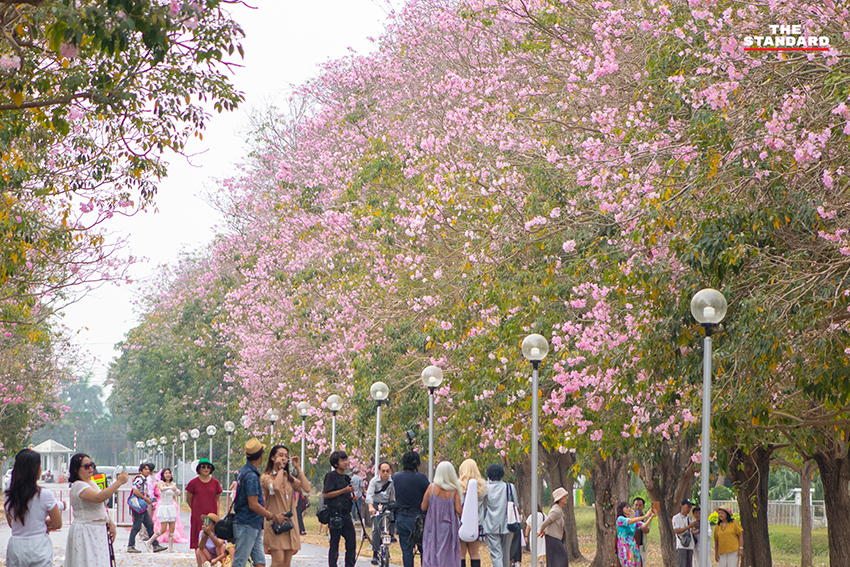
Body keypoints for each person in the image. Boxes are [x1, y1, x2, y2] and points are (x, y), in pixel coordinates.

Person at [65, 454, 128, 567]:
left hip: (98, 529)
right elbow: (99, 498)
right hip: (86, 530)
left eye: (91, 465)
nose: (90, 468)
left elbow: (101, 505)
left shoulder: (92, 482)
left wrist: (110, 522)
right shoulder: (78, 485)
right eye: (86, 466)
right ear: (76, 469)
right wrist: (118, 483)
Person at [4, 449, 62, 567]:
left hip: (16, 546)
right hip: (38, 546)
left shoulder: (9, 495)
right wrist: (42, 524)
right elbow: (57, 523)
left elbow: (12, 523)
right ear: (35, 469)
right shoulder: (44, 494)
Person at [233, 438, 284, 567]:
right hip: (247, 524)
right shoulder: (251, 476)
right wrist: (273, 516)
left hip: (253, 524)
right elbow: (253, 504)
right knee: (239, 562)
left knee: (260, 562)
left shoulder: (245, 471)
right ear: (261, 456)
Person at [261, 445, 312, 567]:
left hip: (289, 525)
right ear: (272, 457)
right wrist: (280, 468)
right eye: (280, 455)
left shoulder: (288, 478)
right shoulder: (266, 476)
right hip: (275, 523)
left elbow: (306, 489)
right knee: (277, 561)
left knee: (286, 562)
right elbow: (276, 487)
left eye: (286, 456)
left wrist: (298, 468)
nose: (284, 458)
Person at [421, 461, 462, 567]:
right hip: (448, 527)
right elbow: (459, 510)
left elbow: (423, 506)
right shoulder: (454, 491)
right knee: (447, 552)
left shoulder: (431, 488)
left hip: (432, 525)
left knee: (431, 548)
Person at [393, 450, 430, 567]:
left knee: (407, 551)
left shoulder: (397, 477)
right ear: (417, 463)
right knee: (424, 549)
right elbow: (429, 494)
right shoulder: (421, 478)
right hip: (418, 518)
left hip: (401, 517)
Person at [323, 450, 357, 567]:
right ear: (336, 463)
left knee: (351, 542)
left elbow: (345, 494)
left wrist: (353, 497)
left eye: (346, 460)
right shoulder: (331, 476)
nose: (345, 462)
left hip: (346, 514)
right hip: (335, 514)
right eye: (342, 460)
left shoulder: (346, 477)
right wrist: (344, 490)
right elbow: (326, 494)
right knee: (334, 543)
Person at [128, 462, 166, 553]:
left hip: (142, 505)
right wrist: (145, 498)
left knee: (149, 524)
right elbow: (135, 491)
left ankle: (155, 545)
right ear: (140, 471)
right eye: (145, 469)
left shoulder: (144, 480)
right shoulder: (139, 479)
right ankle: (130, 546)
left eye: (148, 469)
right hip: (138, 505)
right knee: (136, 526)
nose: (147, 471)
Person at [482, 463, 515, 567]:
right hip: (508, 523)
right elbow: (515, 505)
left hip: (491, 524)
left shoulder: (485, 488)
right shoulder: (510, 487)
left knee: (496, 554)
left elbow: (482, 506)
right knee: (506, 553)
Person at [187, 458, 223, 550]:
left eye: (208, 467)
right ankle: (200, 559)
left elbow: (217, 497)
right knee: (198, 538)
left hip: (211, 515)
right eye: (203, 467)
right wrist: (196, 509)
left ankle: (210, 560)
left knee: (211, 535)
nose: (206, 469)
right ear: (199, 469)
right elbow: (188, 499)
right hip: (198, 515)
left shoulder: (215, 483)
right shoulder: (193, 483)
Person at [458, 458, 488, 567]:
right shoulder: (483, 486)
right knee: (475, 553)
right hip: (477, 523)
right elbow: (485, 505)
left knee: (461, 553)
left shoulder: (458, 485)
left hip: (460, 522)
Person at [366, 461, 396, 566]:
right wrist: (370, 506)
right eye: (383, 471)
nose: (385, 473)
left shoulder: (392, 482)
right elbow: (369, 495)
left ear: (390, 471)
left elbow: (396, 494)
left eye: (387, 471)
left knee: (393, 516)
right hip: (376, 504)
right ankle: (375, 553)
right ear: (379, 471)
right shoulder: (374, 481)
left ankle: (392, 534)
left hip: (388, 503)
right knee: (377, 528)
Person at [148, 468, 182, 551]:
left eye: (169, 473)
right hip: (164, 506)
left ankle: (171, 548)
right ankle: (149, 542)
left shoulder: (173, 484)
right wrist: (170, 487)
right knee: (163, 529)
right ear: (163, 475)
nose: (168, 475)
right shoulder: (161, 483)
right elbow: (162, 489)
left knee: (172, 528)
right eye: (166, 473)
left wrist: (176, 490)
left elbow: (178, 493)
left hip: (171, 507)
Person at [537, 487, 570, 567]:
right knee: (561, 559)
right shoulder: (556, 510)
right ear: (559, 498)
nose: (566, 498)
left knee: (556, 559)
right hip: (553, 538)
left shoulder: (559, 509)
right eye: (564, 497)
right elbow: (547, 521)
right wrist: (542, 530)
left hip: (555, 537)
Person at [615, 501, 654, 567]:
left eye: (629, 507)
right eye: (627, 507)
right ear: (621, 509)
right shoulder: (620, 519)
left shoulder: (633, 521)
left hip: (632, 544)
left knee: (636, 564)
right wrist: (645, 516)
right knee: (628, 564)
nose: (629, 508)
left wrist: (651, 517)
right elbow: (629, 521)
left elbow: (644, 526)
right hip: (624, 545)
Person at [672, 500, 698, 567]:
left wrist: (698, 531)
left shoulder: (690, 518)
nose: (688, 509)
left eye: (690, 507)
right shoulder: (676, 518)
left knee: (689, 565)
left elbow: (692, 531)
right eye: (687, 507)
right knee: (682, 564)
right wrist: (689, 526)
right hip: (681, 545)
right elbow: (677, 531)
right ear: (682, 506)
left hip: (690, 545)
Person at [632, 497, 652, 566]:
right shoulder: (629, 517)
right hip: (631, 545)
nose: (638, 507)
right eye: (636, 505)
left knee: (641, 563)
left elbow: (646, 531)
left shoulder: (647, 518)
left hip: (641, 545)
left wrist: (640, 520)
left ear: (643, 506)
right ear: (633, 506)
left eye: (640, 505)